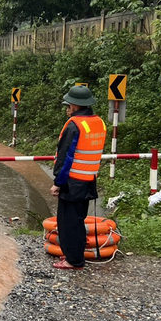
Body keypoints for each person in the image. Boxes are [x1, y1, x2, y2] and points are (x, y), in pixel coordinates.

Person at [50, 86, 106, 270]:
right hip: (89, 180)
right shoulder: (99, 122)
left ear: (75, 105)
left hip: (72, 182)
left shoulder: (75, 125)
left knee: (68, 223)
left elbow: (66, 157)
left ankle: (73, 260)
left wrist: (58, 183)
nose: (67, 108)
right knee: (78, 220)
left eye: (68, 105)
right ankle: (76, 255)